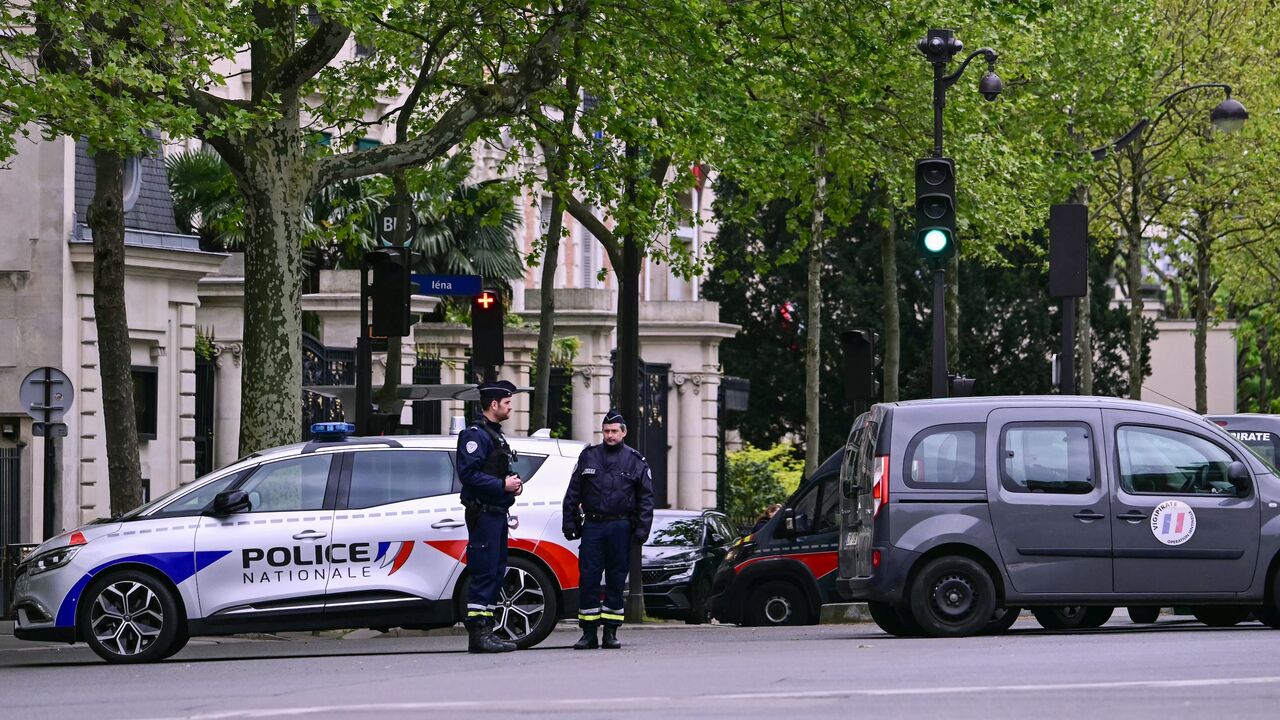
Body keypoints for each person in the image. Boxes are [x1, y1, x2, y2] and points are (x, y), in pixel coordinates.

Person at [562, 409, 654, 650]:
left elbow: (646, 499)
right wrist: (569, 522)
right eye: (606, 431)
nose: (610, 435)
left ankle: (611, 632)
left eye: (614, 431)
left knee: (615, 578)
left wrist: (642, 530)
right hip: (593, 525)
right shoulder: (589, 457)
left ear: (624, 432)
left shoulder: (635, 460)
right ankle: (589, 632)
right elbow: (573, 492)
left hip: (620, 527)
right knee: (589, 577)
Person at [456, 380, 523, 653]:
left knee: (496, 572)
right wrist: (501, 486)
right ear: (493, 405)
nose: (510, 407)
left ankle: (490, 631)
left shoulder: (495, 435)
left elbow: (495, 470)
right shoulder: (474, 435)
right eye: (506, 403)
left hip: (497, 512)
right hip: (483, 513)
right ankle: (478, 636)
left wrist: (513, 483)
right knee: (484, 572)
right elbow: (468, 475)